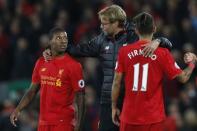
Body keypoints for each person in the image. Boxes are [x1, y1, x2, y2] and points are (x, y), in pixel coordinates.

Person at [44, 5, 173, 131]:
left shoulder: (134, 35)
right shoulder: (101, 40)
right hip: (108, 100)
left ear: (116, 23)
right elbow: (79, 50)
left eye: (104, 23)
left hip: (132, 100)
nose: (101, 26)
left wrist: (158, 41)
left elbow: (167, 45)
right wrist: (54, 49)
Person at [111, 12, 197, 131]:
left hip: (129, 118)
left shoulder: (124, 52)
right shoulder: (163, 53)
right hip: (153, 119)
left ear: (136, 30)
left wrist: (114, 107)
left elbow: (116, 82)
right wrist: (192, 63)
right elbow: (183, 78)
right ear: (154, 29)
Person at [10, 27, 85, 131]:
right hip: (43, 122)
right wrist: (18, 109)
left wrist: (79, 124)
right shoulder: (41, 62)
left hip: (64, 122)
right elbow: (32, 91)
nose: (63, 41)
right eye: (59, 38)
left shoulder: (74, 66)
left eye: (65, 38)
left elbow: (80, 96)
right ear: (50, 41)